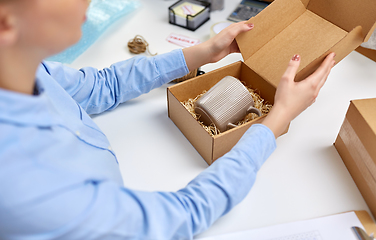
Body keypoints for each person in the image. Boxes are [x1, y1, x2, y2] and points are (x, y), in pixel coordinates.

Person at [0, 0, 336, 239]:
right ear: (5, 23)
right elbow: (180, 216)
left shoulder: (24, 67)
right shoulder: (28, 188)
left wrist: (201, 52)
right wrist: (276, 120)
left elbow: (101, 85)